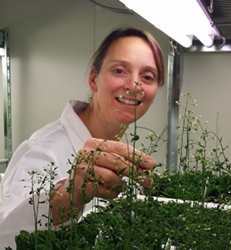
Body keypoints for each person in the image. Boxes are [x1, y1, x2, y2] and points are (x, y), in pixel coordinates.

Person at [0, 27, 165, 249]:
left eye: (147, 76)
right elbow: (6, 235)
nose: (134, 85)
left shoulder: (119, 148)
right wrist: (70, 194)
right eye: (119, 70)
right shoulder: (41, 150)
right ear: (93, 80)